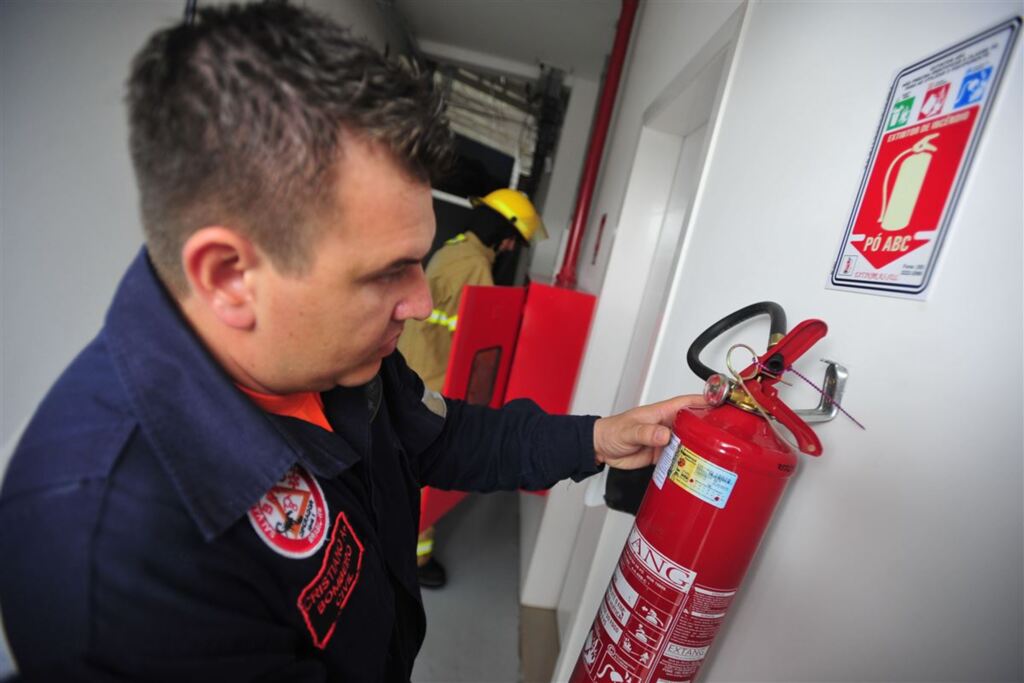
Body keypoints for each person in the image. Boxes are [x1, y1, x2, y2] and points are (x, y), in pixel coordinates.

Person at [0, 4, 701, 681]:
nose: (422, 300)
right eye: (387, 271)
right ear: (231, 277)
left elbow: (447, 435)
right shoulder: (107, 561)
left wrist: (597, 438)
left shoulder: (341, 358)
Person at [397, 188, 547, 588]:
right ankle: (414, 559)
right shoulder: (476, 266)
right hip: (433, 379)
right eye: (515, 239)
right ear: (505, 233)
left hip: (416, 367)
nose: (512, 247)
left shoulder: (455, 249)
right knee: (422, 475)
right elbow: (477, 341)